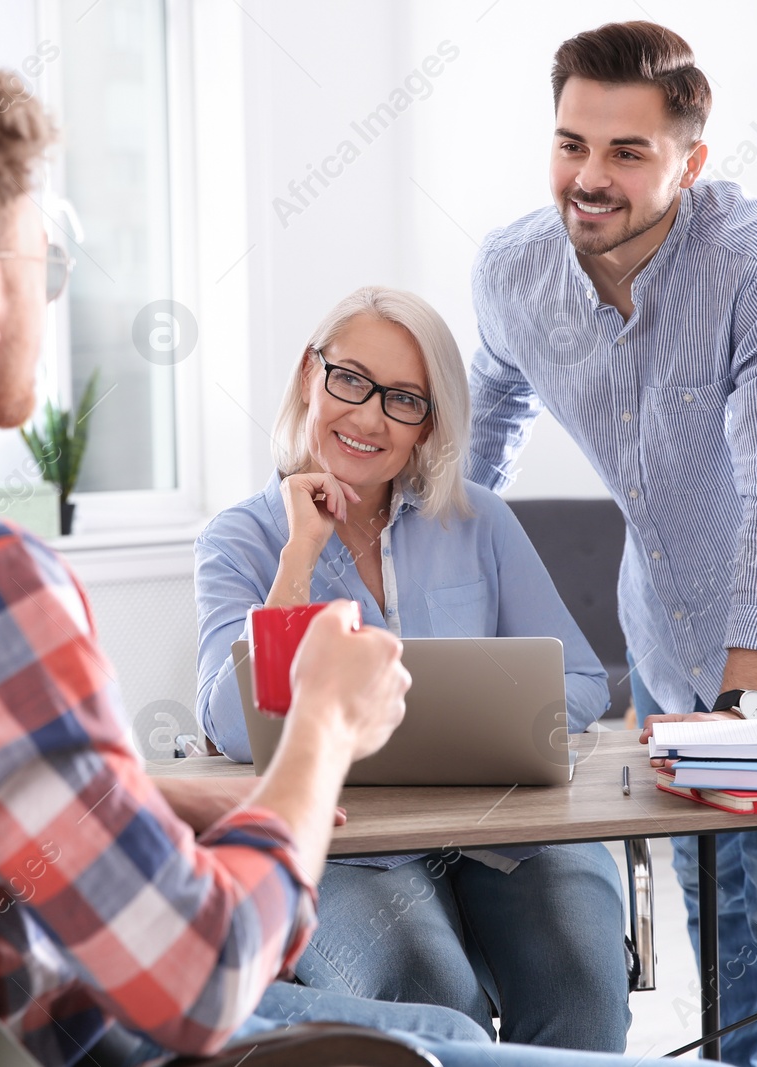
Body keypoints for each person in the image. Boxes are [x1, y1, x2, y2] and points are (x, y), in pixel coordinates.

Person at [0, 37, 710, 1067]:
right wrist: (322, 727)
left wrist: (129, 790)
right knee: (432, 1038)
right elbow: (202, 975)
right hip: (65, 1026)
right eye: (46, 263)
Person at [465, 20, 757, 1067]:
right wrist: (410, 580)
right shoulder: (512, 271)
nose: (588, 176)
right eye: (572, 143)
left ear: (689, 161)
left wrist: (744, 715)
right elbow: (482, 432)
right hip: (665, 614)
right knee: (709, 890)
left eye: (627, 151)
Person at [194, 285, 632, 1052]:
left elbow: (584, 680)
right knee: (435, 1011)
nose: (367, 417)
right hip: (349, 849)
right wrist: (299, 555)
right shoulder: (241, 539)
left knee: (582, 992)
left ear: (429, 424)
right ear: (310, 376)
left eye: (403, 399)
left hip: (504, 829)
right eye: (350, 381)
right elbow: (234, 725)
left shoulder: (479, 519)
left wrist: (481, 719)